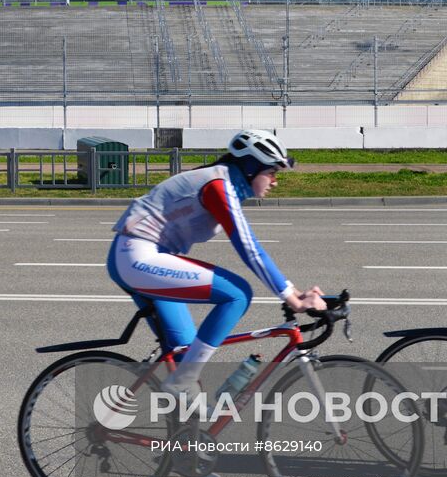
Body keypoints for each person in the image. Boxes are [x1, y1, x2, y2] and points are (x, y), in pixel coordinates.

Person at [107, 130, 325, 397]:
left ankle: (182, 430)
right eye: (271, 173)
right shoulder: (218, 186)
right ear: (251, 168)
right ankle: (180, 384)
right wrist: (293, 297)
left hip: (140, 257)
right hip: (136, 257)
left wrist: (293, 293)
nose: (275, 181)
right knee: (238, 294)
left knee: (187, 353)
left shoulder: (225, 183)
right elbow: (249, 249)